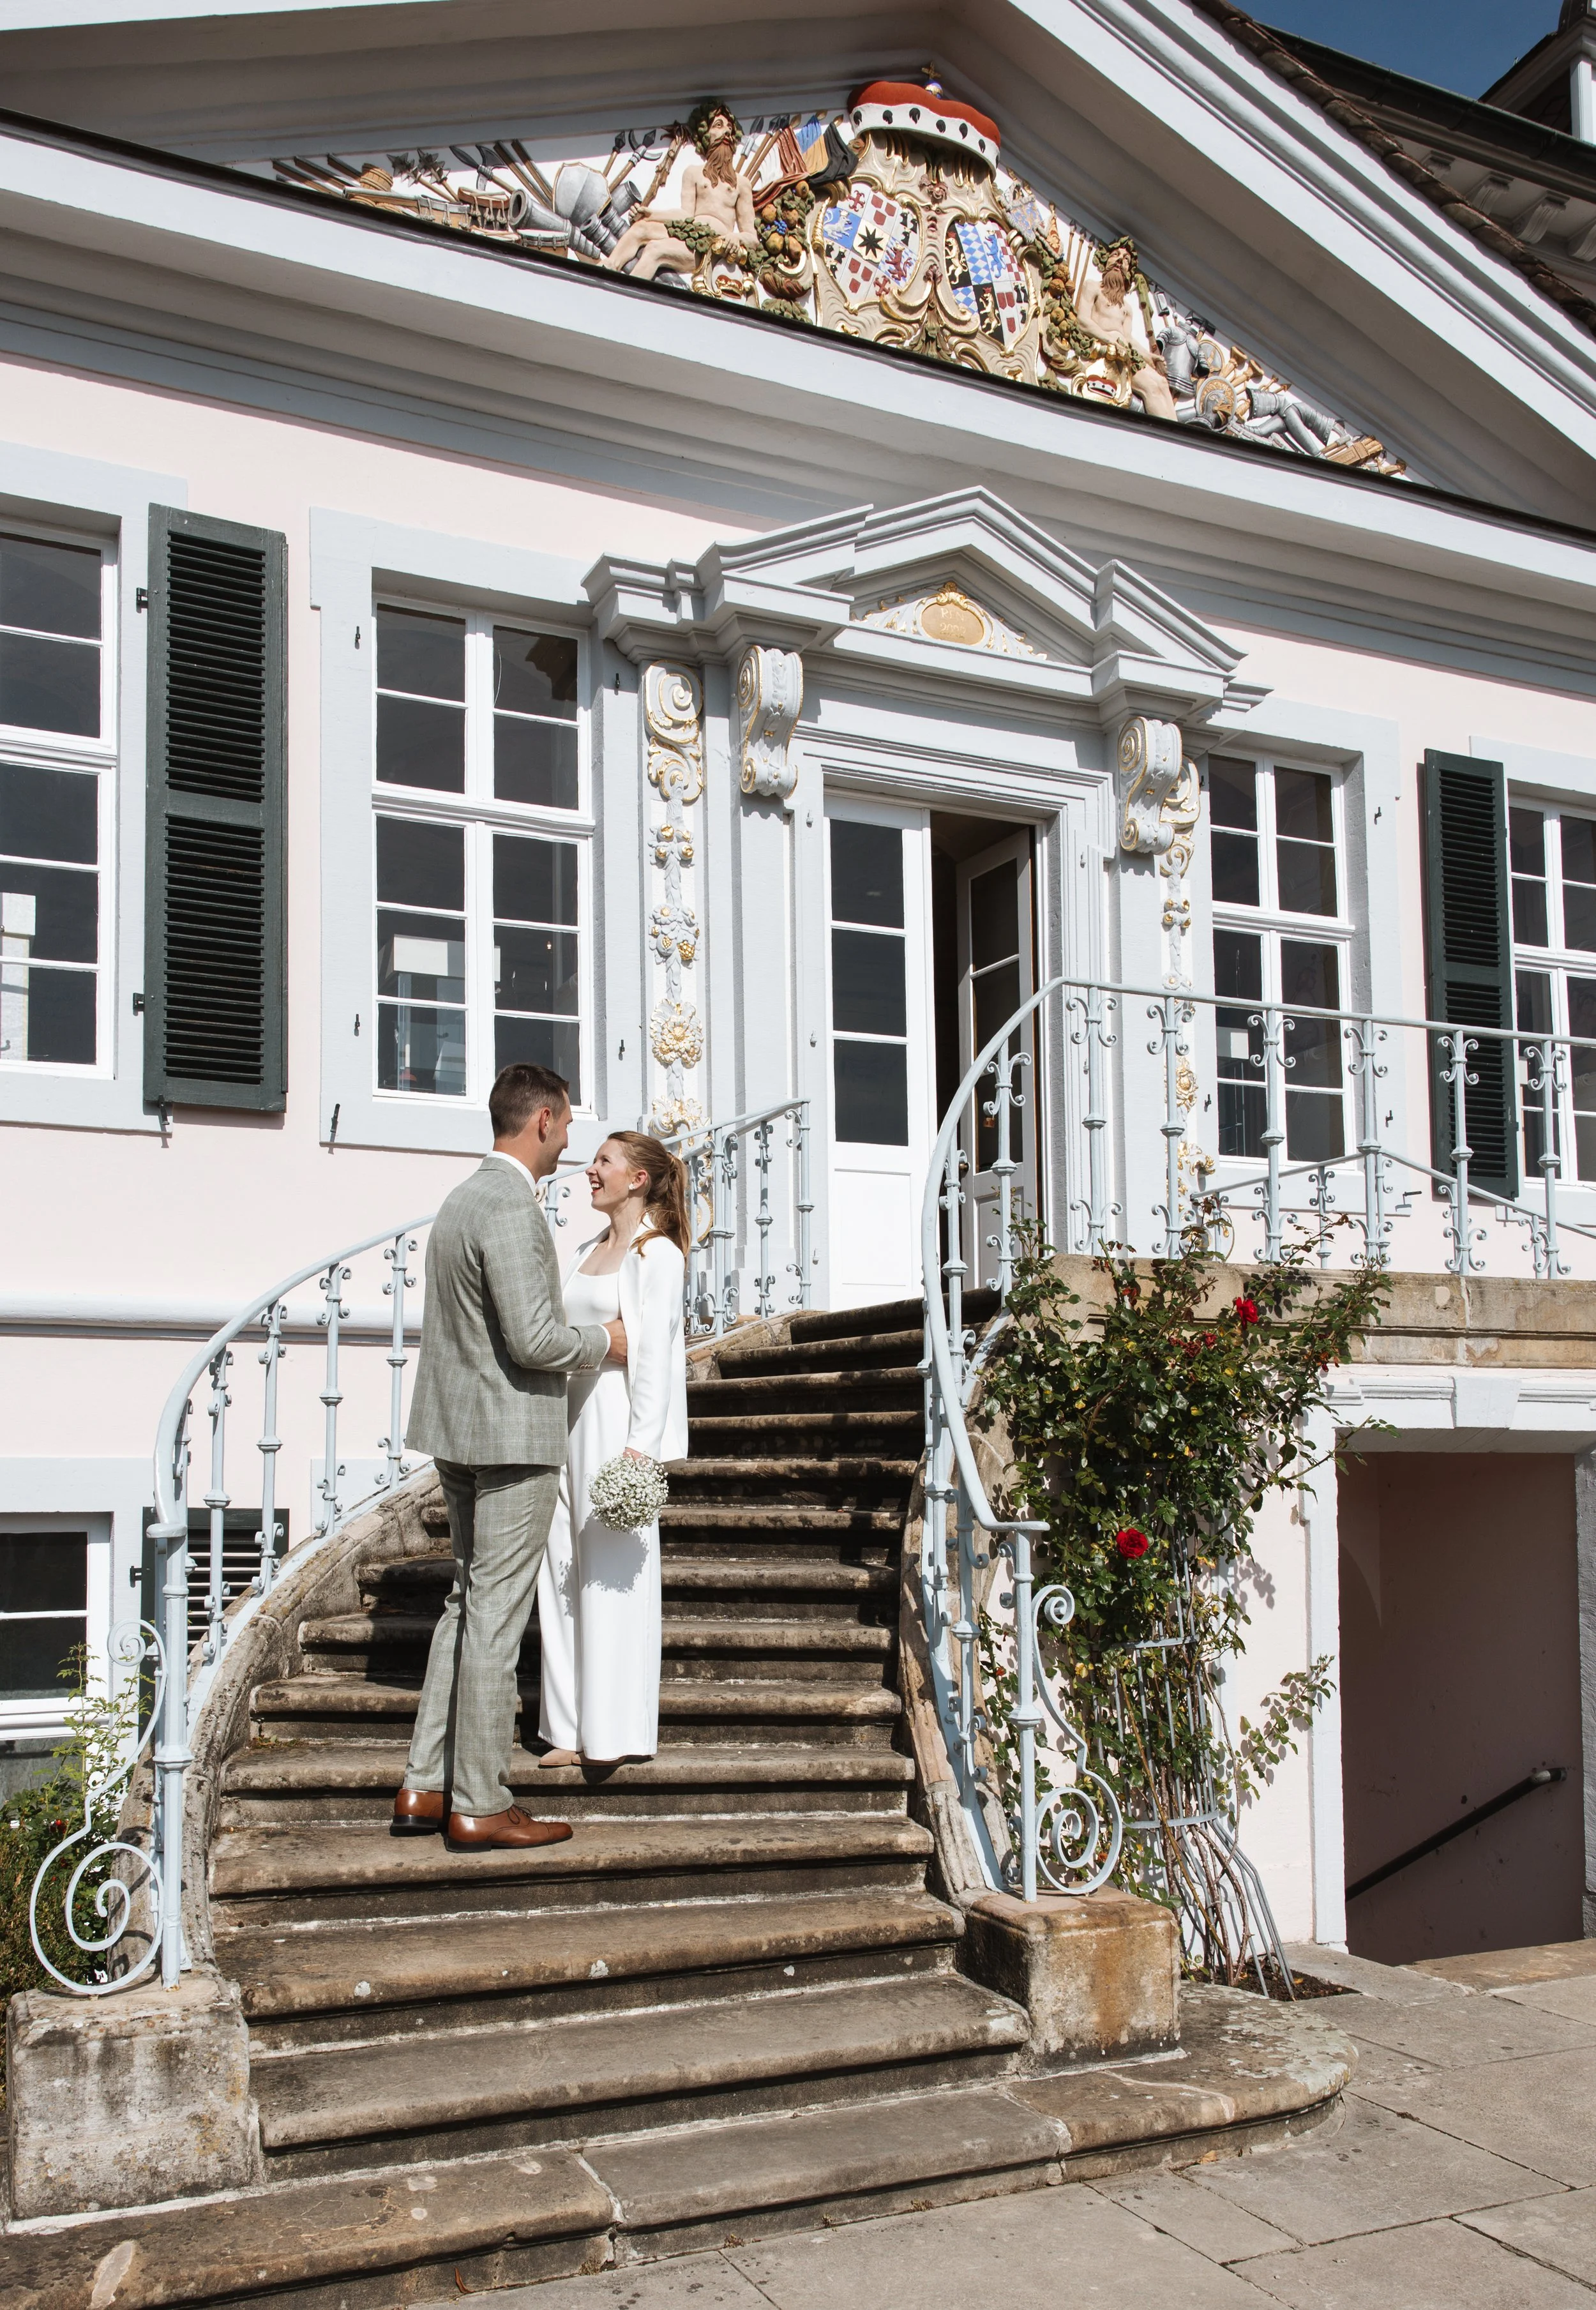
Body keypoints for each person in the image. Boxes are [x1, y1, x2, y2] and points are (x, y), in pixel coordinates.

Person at [392, 1062, 626, 1851]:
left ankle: (425, 1787)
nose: (570, 1139)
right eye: (567, 1124)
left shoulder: (460, 1200)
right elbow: (534, 1340)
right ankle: (482, 1803)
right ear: (545, 1122)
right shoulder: (513, 1208)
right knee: (495, 1615)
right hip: (511, 1439)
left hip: (457, 1430)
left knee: (465, 1604)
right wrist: (606, 1341)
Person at [537, 1131, 689, 1767]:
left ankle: (614, 1733)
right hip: (563, 1421)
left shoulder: (658, 1256)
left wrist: (640, 1449)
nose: (590, 1171)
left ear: (638, 1179)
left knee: (611, 1581)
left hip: (616, 1424)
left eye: (604, 1162)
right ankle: (568, 1730)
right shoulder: (581, 1250)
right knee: (561, 1577)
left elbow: (653, 1357)